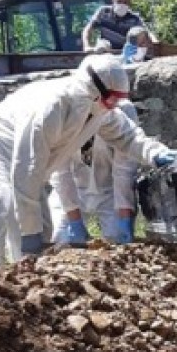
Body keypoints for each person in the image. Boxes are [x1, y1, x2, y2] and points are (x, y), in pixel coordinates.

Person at [0, 54, 177, 276]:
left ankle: (20, 286)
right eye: (113, 98)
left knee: (40, 234)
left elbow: (129, 137)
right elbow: (27, 170)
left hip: (24, 161)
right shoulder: (52, 107)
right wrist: (30, 233)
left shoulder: (98, 110)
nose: (115, 105)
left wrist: (157, 154)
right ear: (95, 90)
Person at [47, 98, 141, 245]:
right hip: (74, 188)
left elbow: (124, 168)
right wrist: (74, 219)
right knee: (59, 239)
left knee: (117, 241)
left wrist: (124, 216)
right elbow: (61, 172)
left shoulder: (123, 110)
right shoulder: (62, 112)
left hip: (111, 191)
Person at [83, 0, 150, 53]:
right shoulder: (103, 11)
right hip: (106, 48)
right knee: (102, 46)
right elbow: (88, 29)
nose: (122, 5)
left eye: (125, 2)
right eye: (119, 1)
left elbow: (146, 35)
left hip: (127, 50)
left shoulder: (134, 18)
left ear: (129, 4)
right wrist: (87, 46)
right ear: (113, 1)